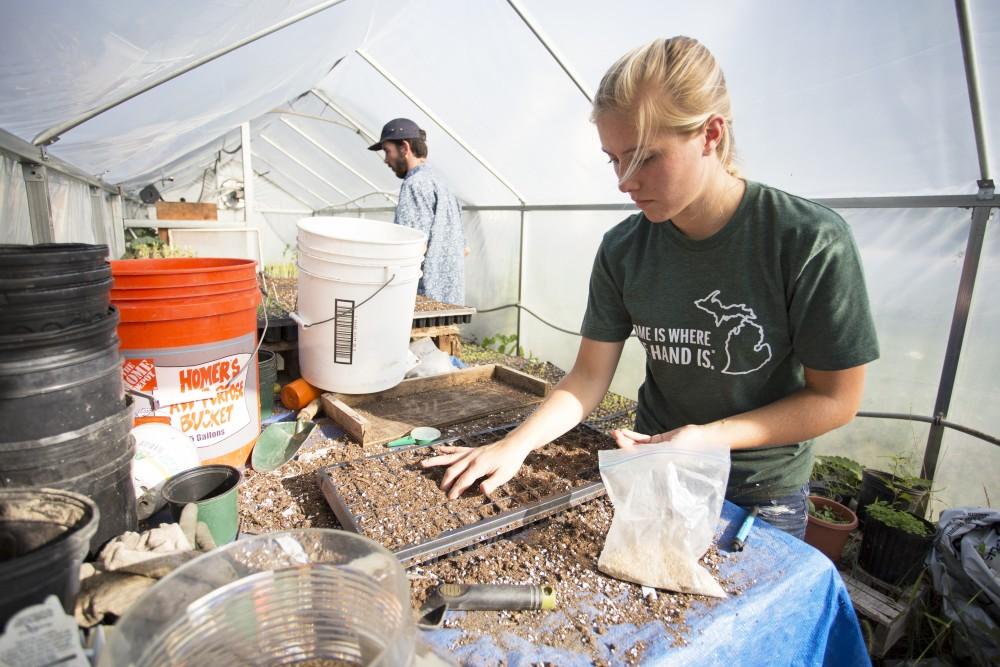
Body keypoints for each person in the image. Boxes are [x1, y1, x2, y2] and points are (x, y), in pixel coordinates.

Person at [422, 36, 879, 540]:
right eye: (614, 159)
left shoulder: (805, 240)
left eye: (644, 158)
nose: (623, 181)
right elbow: (588, 376)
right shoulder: (624, 250)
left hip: (758, 489)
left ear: (710, 134)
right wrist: (516, 444)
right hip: (656, 462)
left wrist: (707, 439)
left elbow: (835, 399)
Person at [369, 118, 465, 305]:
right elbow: (464, 248)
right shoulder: (443, 184)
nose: (386, 160)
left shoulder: (415, 184)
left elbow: (409, 247)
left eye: (387, 151)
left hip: (423, 299)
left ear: (404, 148)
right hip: (450, 300)